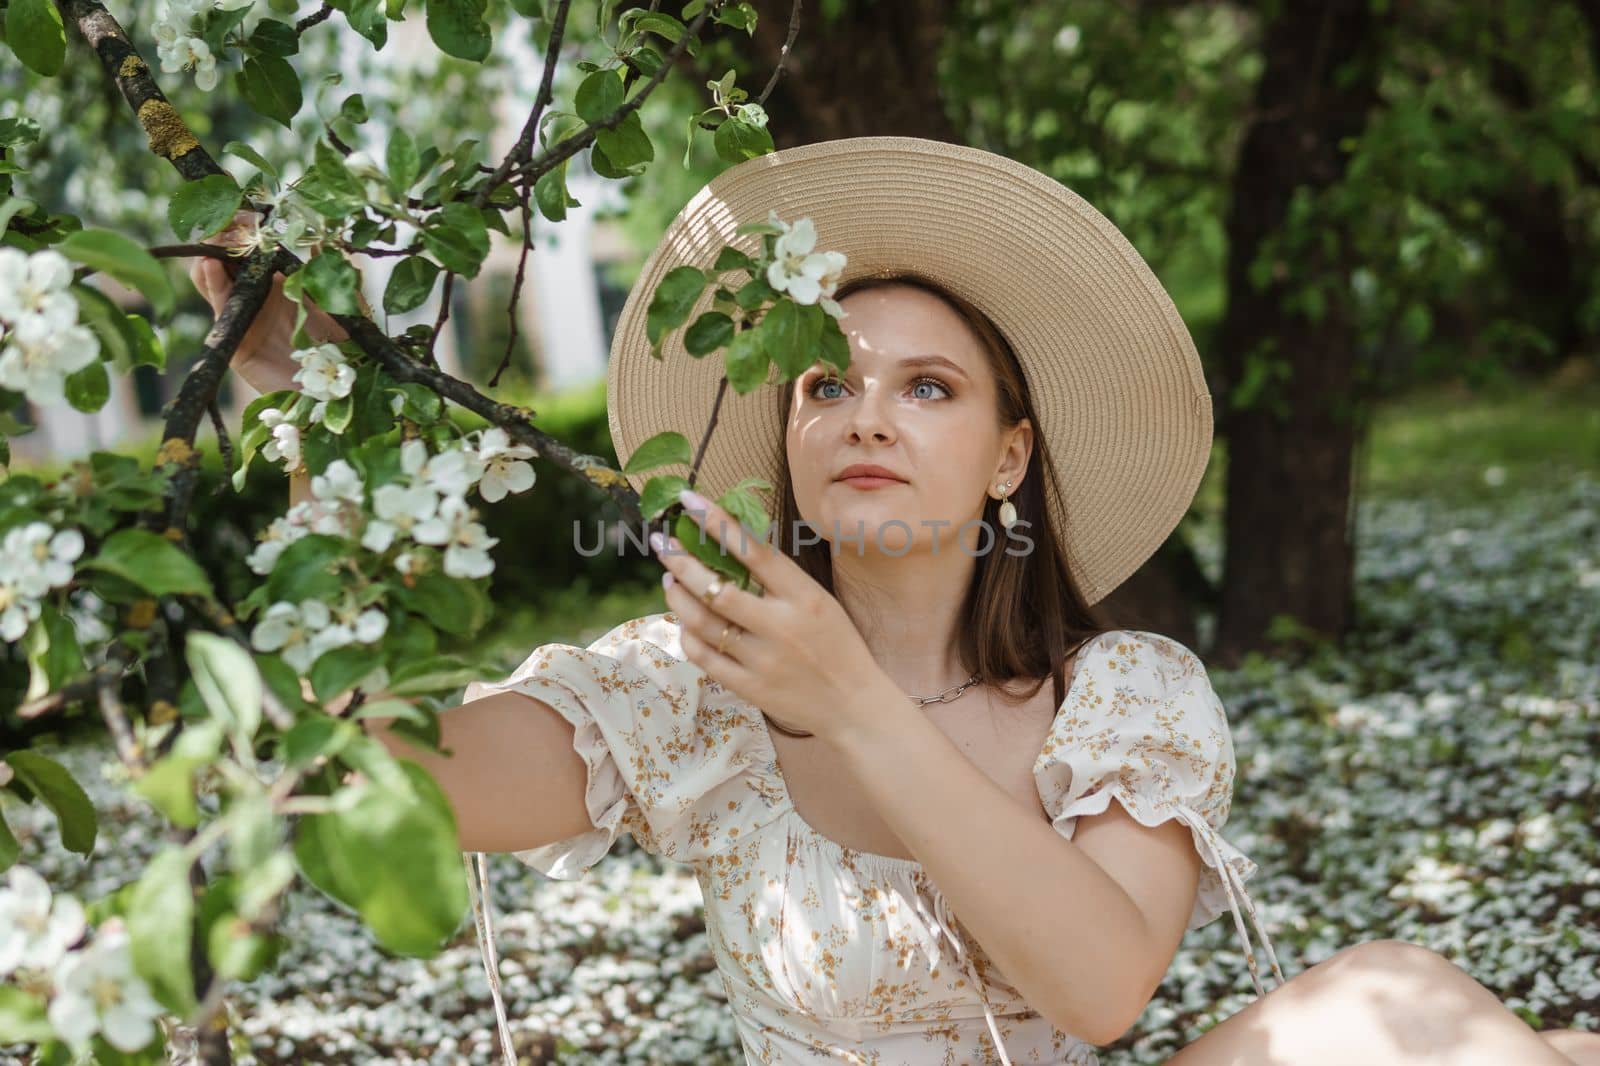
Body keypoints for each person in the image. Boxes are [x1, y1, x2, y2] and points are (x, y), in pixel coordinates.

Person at [193, 136, 1600, 1065]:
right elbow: (383, 782)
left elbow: (1104, 991)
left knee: (1406, 1003)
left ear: (1008, 457)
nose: (867, 410)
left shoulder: (1126, 695)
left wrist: (853, 701)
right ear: (791, 454)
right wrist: (298, 403)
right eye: (826, 384)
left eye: (927, 385)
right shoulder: (697, 682)